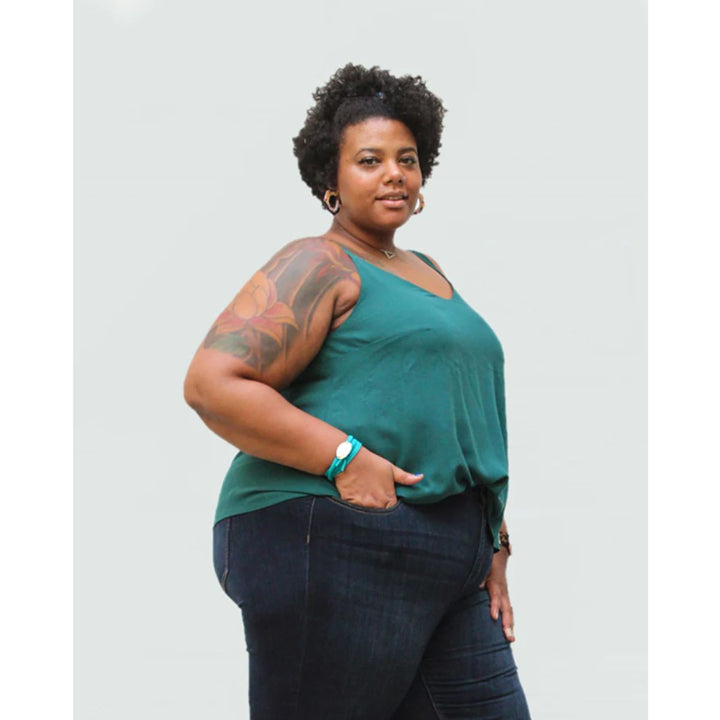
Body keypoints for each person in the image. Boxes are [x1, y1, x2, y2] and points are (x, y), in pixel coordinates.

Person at [184, 63, 532, 719]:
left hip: (449, 552)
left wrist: (492, 536)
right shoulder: (317, 262)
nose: (394, 174)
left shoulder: (427, 270)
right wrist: (345, 458)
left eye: (407, 159)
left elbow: (444, 413)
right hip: (331, 530)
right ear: (331, 181)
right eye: (370, 160)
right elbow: (212, 383)